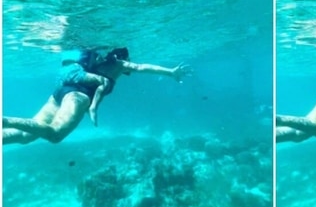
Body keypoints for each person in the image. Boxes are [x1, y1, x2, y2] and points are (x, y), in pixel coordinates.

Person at [3, 47, 193, 145]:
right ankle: (5, 120)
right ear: (124, 58)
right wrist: (171, 72)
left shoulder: (98, 62)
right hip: (77, 97)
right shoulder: (120, 65)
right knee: (55, 134)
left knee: (25, 137)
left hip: (60, 93)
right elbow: (142, 67)